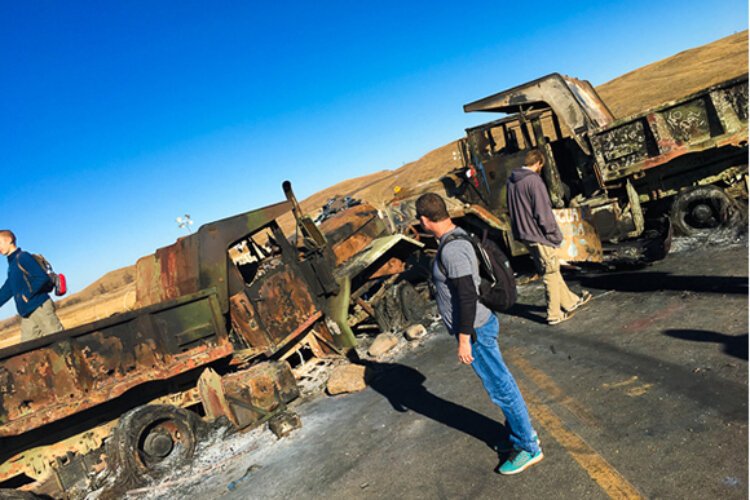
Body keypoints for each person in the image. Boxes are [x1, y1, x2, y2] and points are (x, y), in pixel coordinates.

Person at [415, 193, 543, 475]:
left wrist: (463, 339)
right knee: (499, 385)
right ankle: (516, 437)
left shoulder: (452, 249)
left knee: (501, 388)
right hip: (476, 327)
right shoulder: (454, 237)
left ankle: (528, 445)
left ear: (425, 220)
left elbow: (466, 296)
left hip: (476, 330)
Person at [506, 150, 592, 325]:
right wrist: (554, 235)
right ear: (538, 163)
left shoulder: (512, 181)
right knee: (551, 272)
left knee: (549, 267)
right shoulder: (534, 181)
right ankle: (554, 314)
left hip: (524, 233)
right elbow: (543, 213)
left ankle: (570, 302)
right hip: (538, 234)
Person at [0, 230, 64, 341]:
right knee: (27, 349)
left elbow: (41, 277)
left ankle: (75, 357)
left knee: (59, 340)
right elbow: (8, 289)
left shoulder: (23, 257)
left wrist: (27, 294)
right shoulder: (12, 266)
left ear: (9, 240)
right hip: (27, 312)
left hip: (40, 306)